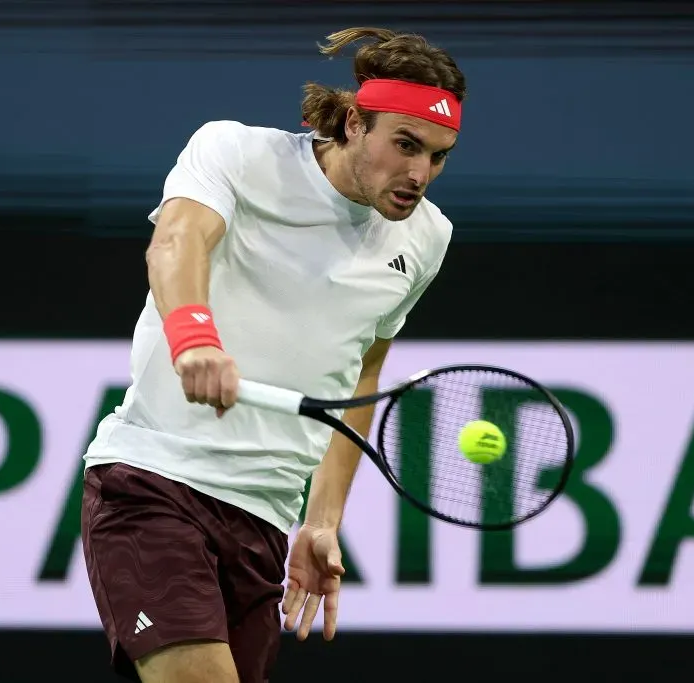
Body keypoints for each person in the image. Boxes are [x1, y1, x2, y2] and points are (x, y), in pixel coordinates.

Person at [80, 26, 467, 683]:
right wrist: (194, 336)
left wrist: (322, 518)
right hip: (153, 482)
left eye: (437, 155)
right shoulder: (235, 151)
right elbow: (177, 240)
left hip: (263, 521)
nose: (419, 175)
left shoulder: (427, 239)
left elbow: (362, 373)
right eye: (405, 145)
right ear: (352, 122)